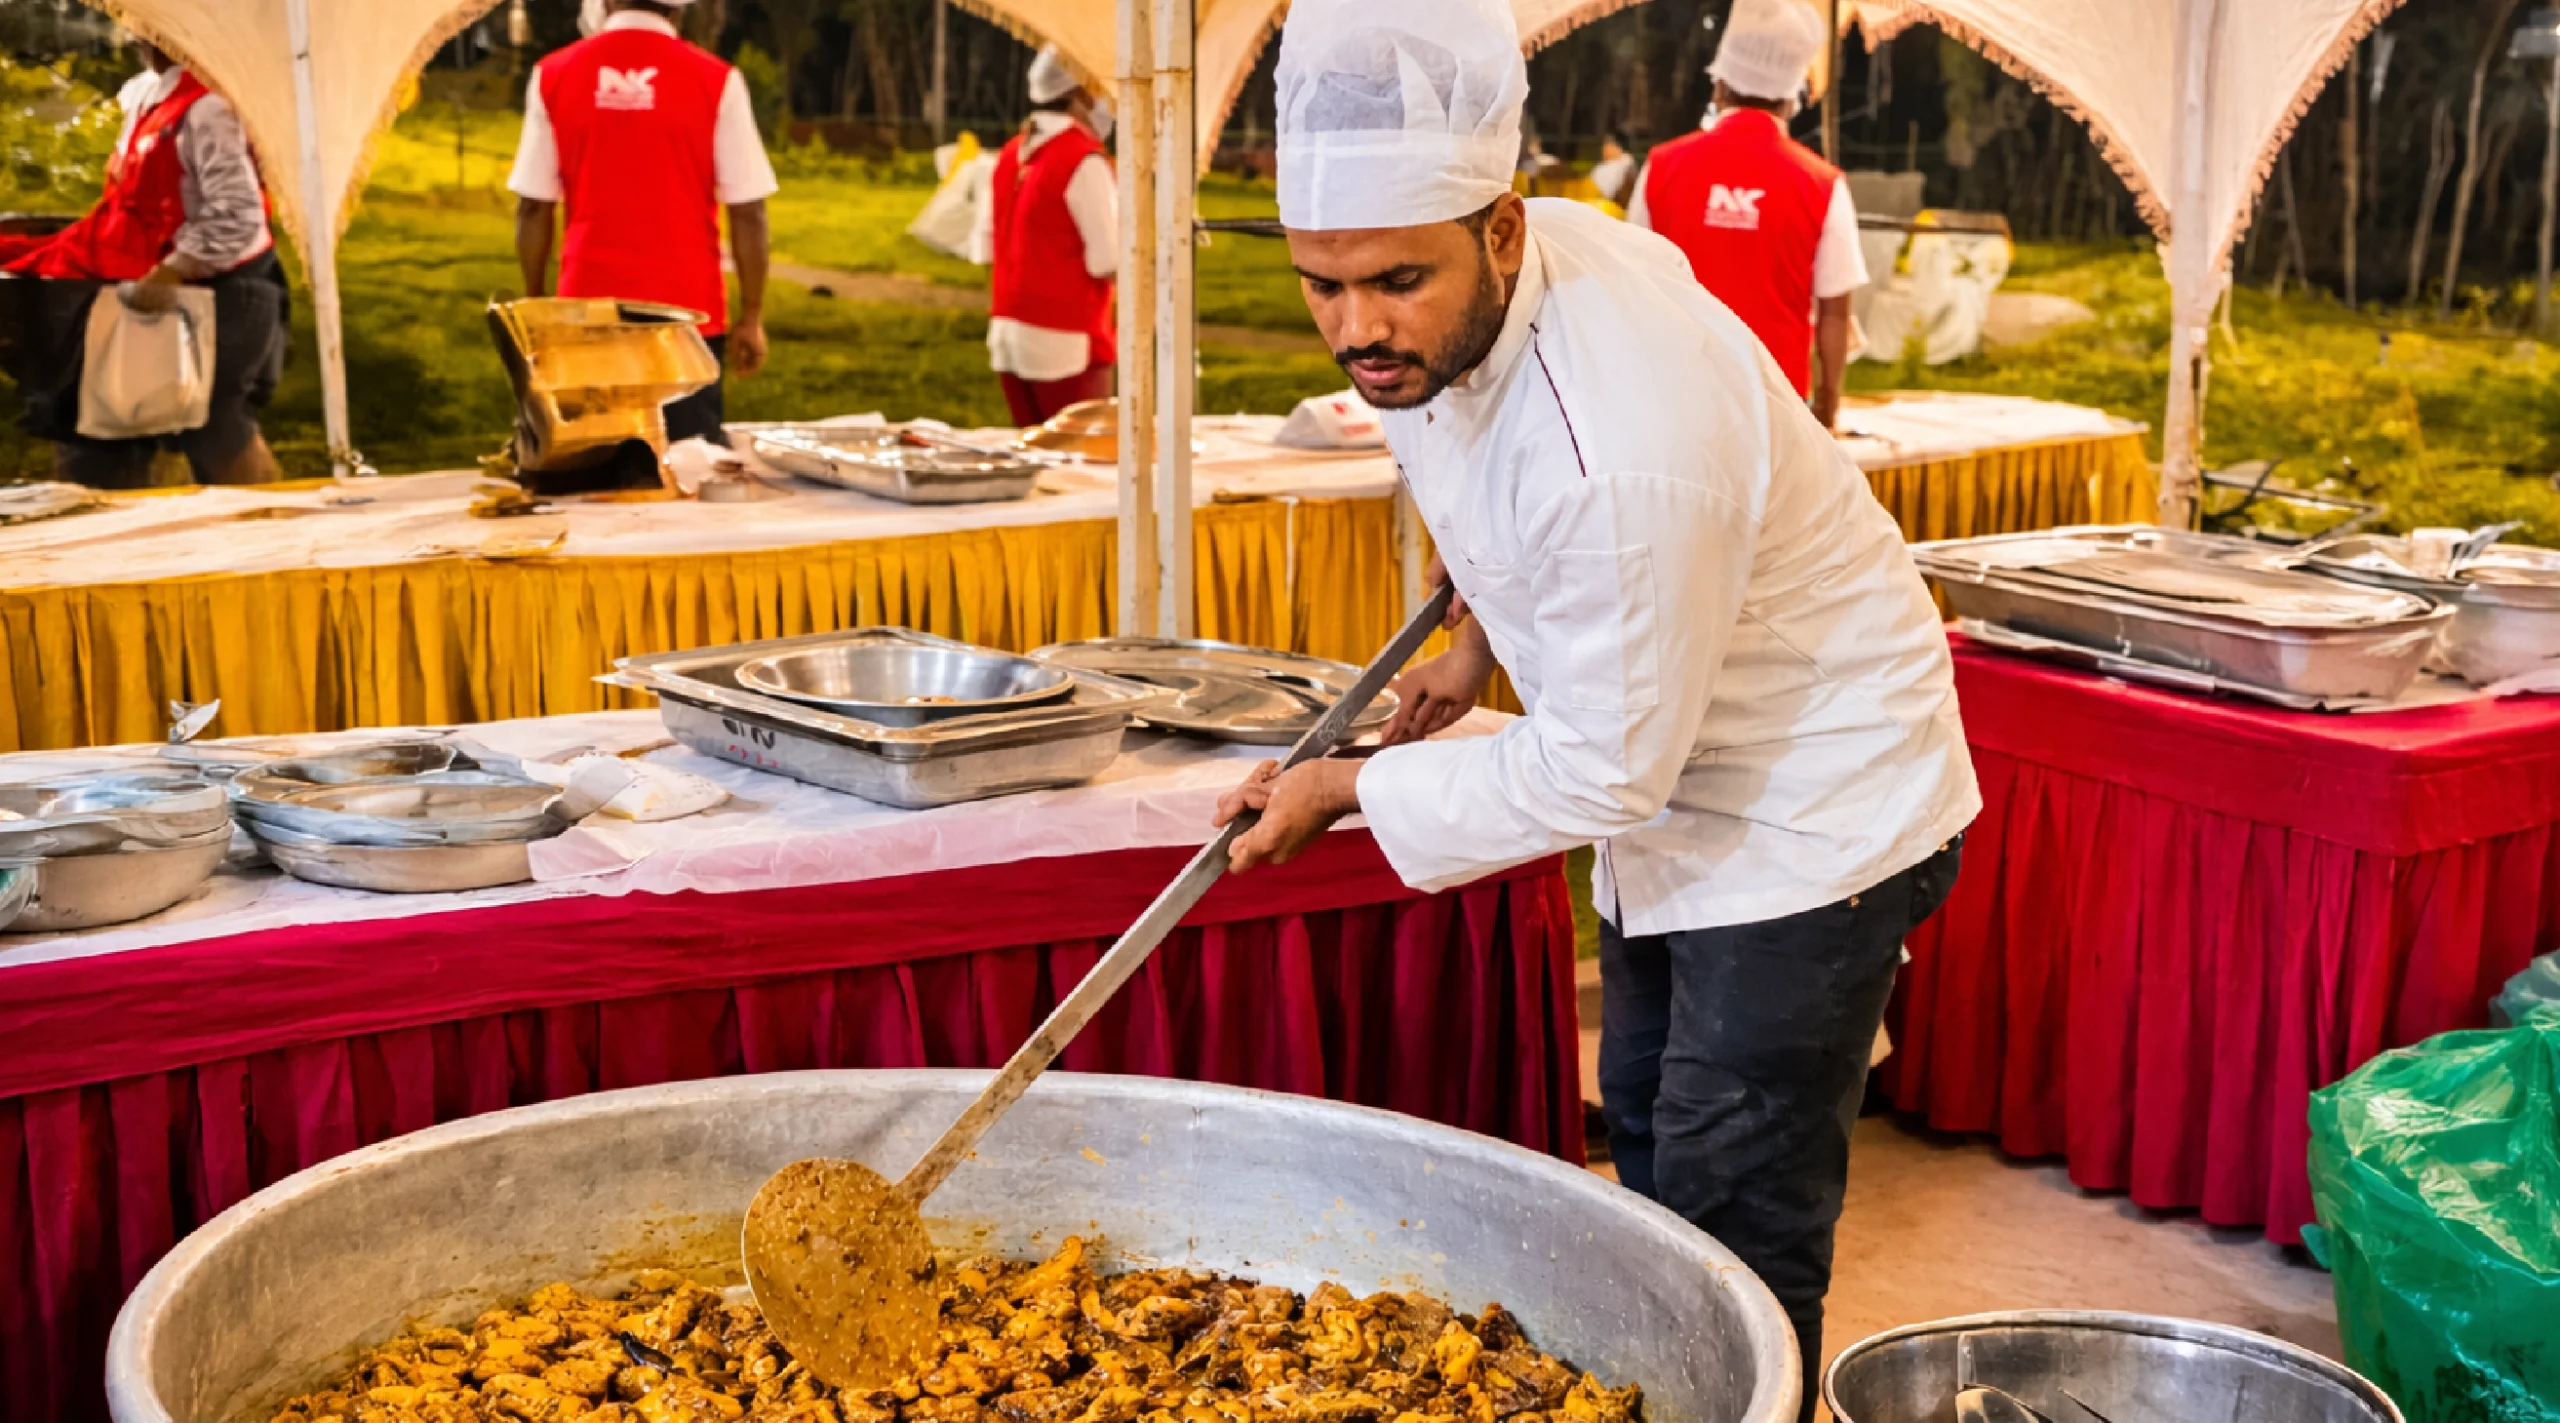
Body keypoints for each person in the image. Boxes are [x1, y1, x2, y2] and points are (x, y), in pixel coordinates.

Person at [1213, 0, 1977, 1411]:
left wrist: (1344, 787)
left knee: (1731, 1193)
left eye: (1396, 282)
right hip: (1672, 766)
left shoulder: (1622, 452)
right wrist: (1472, 637)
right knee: (1647, 1122)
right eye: (1321, 286)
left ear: (1501, 230)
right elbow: (1478, 458)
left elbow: (1604, 768)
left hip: (1816, 798)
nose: (1358, 330)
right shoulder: (1515, 278)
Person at [1, 41, 287, 487]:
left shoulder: (209, 108)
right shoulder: (150, 96)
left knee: (216, 425)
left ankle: (267, 522)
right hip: (162, 280)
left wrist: (173, 270)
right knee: (109, 426)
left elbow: (237, 214)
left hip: (228, 289)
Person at [508, 0, 776, 445]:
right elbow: (748, 211)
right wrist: (750, 316)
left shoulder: (553, 74)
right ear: (679, 8)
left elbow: (534, 207)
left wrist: (537, 312)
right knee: (689, 463)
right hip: (687, 322)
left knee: (590, 463)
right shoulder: (717, 81)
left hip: (585, 317)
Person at [1625, 0, 1865, 429]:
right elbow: (1834, 313)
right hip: (1778, 410)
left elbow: (1630, 285)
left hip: (1675, 399)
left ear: (1720, 86)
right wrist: (1827, 410)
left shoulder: (1661, 167)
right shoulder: (1823, 184)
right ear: (1791, 99)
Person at [979, 46, 1118, 426]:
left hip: (1008, 332)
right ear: (1080, 92)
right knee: (1081, 454)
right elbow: (1108, 260)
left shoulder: (1010, 153)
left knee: (1032, 451)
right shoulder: (1082, 158)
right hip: (1067, 337)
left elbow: (986, 244)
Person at [1586, 130, 1636, 208]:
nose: (1603, 149)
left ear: (1617, 147)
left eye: (1607, 145)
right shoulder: (1606, 166)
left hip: (1608, 207)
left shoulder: (1625, 166)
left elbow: (1605, 194)